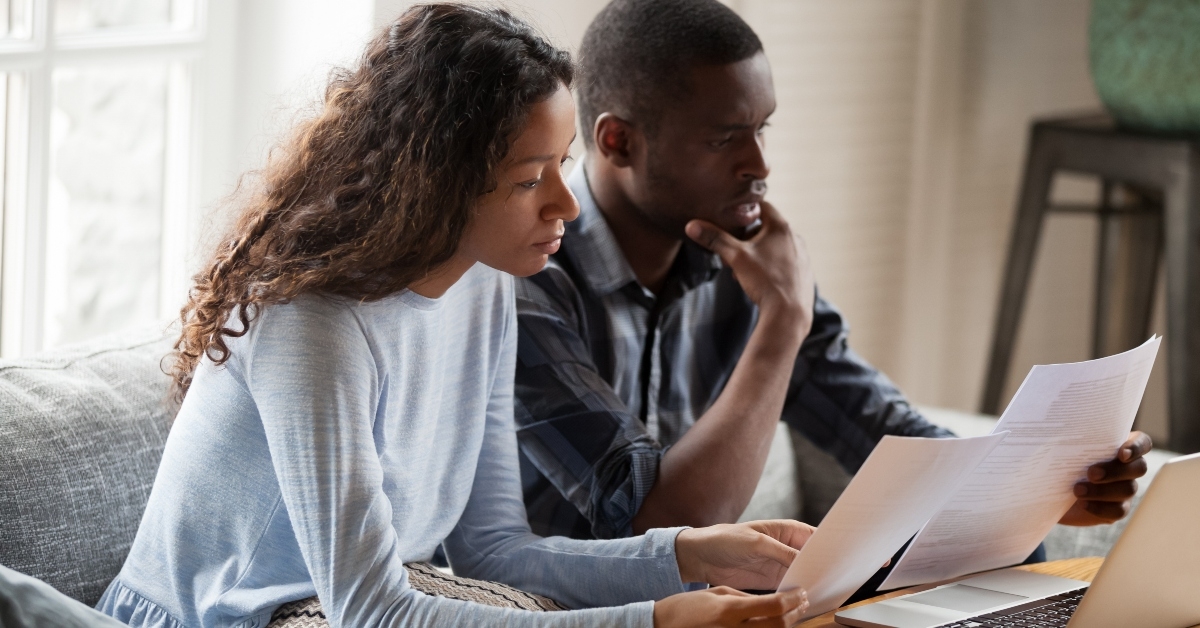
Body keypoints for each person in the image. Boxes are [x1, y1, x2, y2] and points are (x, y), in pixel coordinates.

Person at [96, 5, 816, 627]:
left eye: (562, 166)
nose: (565, 206)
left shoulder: (485, 287)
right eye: (531, 180)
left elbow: (495, 552)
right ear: (437, 185)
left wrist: (697, 550)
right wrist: (656, 618)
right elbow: (372, 611)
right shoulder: (311, 324)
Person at [514, 0, 1151, 548]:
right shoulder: (527, 280)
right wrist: (782, 321)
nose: (759, 164)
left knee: (1007, 562)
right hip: (551, 606)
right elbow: (663, 530)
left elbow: (882, 430)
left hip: (707, 604)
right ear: (618, 142)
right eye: (725, 139)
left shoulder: (743, 257)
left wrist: (1043, 487)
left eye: (762, 129)